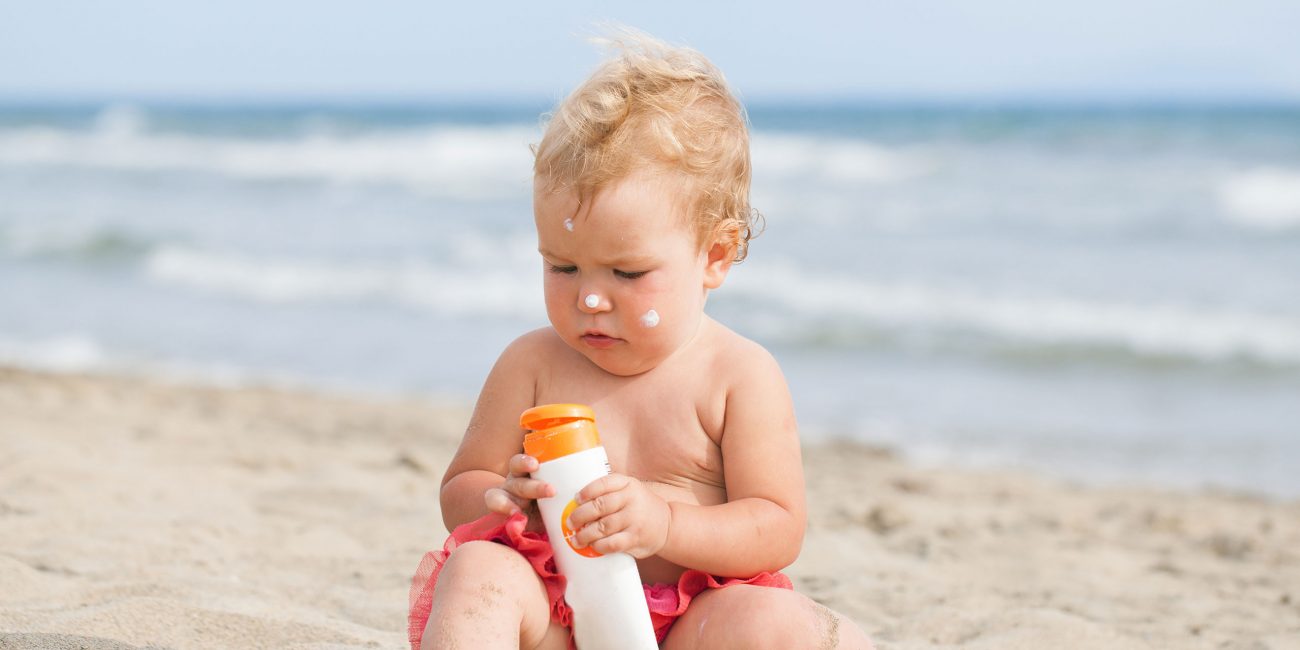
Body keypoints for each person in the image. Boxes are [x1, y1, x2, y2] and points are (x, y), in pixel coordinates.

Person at [408, 29, 872, 650]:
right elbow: (460, 489)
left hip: (690, 624)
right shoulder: (533, 363)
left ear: (715, 255)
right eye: (562, 266)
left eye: (627, 273)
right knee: (478, 572)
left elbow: (776, 527)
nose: (589, 298)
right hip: (559, 616)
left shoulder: (738, 375)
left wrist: (667, 524)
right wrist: (502, 500)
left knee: (773, 623)